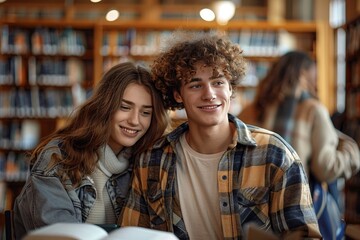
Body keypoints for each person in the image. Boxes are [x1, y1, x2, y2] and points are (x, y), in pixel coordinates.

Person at [119, 31, 321, 239]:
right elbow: (132, 233)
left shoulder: (275, 154)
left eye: (218, 82)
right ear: (178, 94)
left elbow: (305, 235)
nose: (209, 94)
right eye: (195, 85)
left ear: (230, 88)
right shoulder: (152, 160)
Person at [13, 62, 169, 239]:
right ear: (105, 107)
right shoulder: (57, 158)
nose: (135, 120)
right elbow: (57, 236)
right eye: (125, 107)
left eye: (145, 112)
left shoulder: (144, 162)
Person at [239, 51, 360, 238]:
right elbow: (326, 168)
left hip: (251, 214)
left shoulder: (250, 109)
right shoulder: (313, 110)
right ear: (305, 74)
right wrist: (351, 150)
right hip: (295, 215)